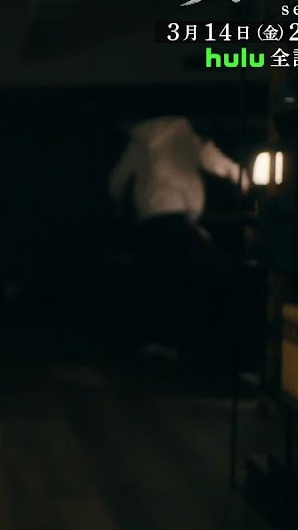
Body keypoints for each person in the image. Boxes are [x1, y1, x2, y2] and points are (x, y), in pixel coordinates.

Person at [107, 115, 250, 357]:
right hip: (175, 216)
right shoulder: (186, 138)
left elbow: (118, 178)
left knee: (160, 278)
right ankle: (181, 340)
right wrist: (243, 179)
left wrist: (118, 200)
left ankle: (161, 338)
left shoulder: (141, 142)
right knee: (183, 277)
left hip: (151, 217)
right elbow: (216, 161)